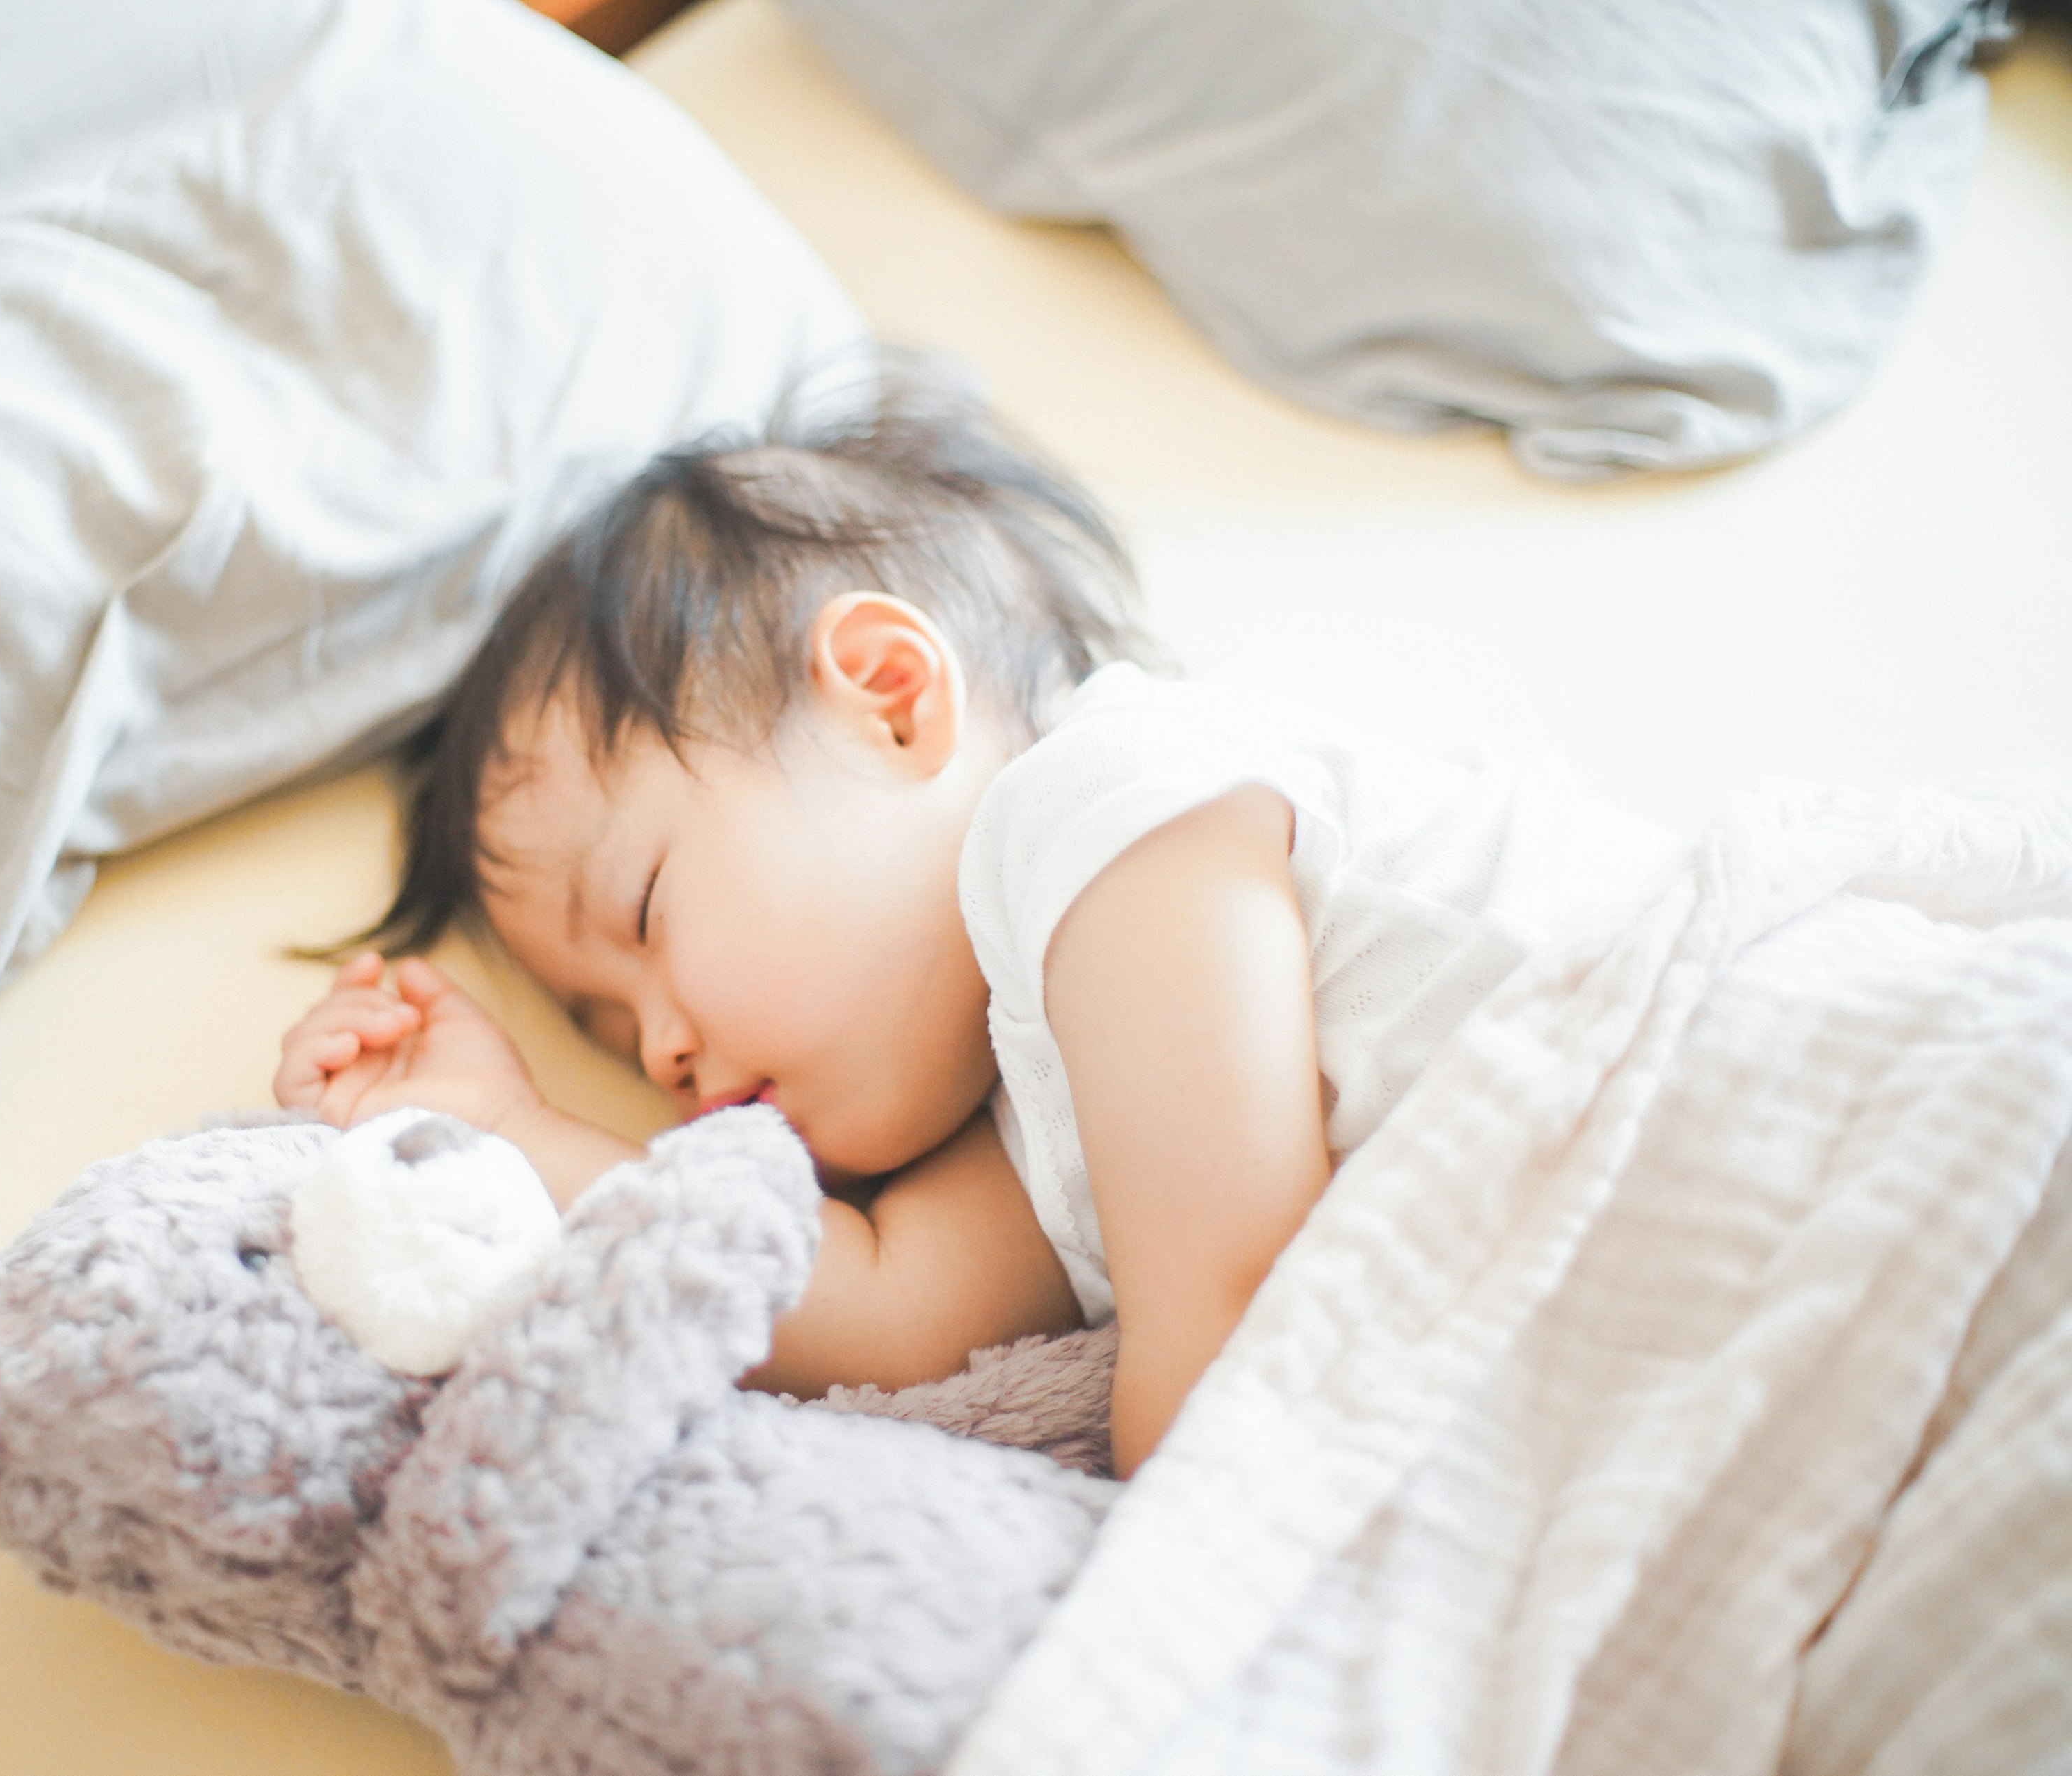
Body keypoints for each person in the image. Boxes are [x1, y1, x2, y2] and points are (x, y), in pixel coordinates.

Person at [272, 374, 1680, 1480]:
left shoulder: (1107, 812)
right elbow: (874, 1318)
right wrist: (500, 1130)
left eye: (642, 914)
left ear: (890, 698)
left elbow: (1239, 1315)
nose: (659, 1045)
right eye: (598, 1025)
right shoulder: (1018, 1112)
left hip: (1692, 1081)